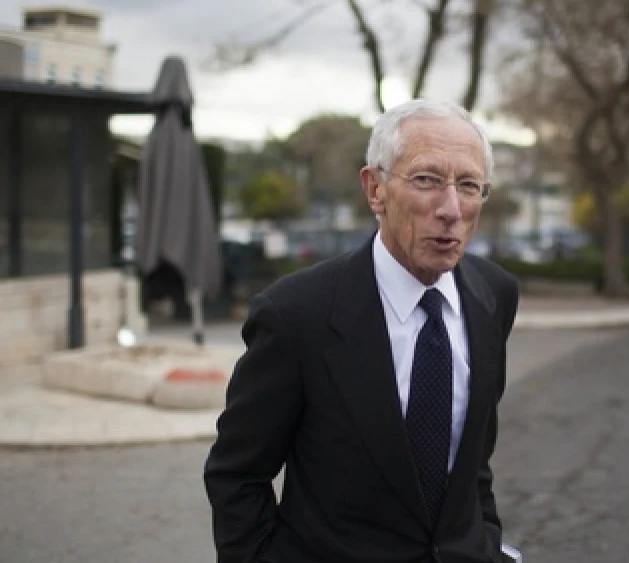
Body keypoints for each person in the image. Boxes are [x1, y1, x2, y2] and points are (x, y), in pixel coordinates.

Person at [204, 99, 520, 563]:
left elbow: (473, 465)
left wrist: (488, 545)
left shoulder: (494, 296)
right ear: (375, 189)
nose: (451, 208)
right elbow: (237, 476)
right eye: (427, 180)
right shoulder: (296, 314)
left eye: (469, 186)